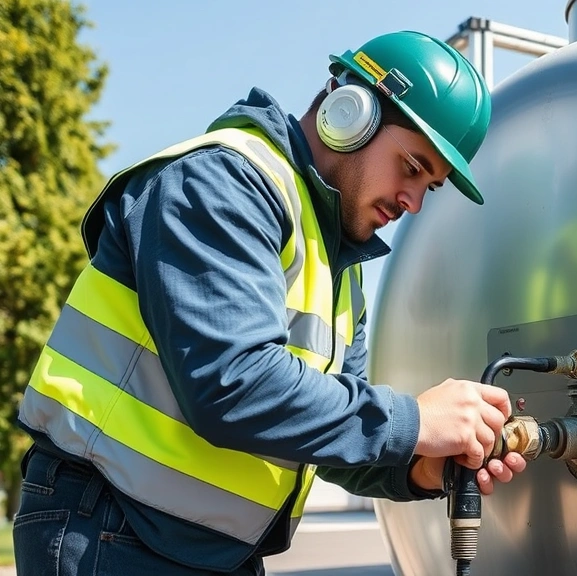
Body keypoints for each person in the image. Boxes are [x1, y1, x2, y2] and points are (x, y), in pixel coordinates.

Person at [13, 30, 526, 575]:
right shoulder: (222, 183)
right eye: (412, 166)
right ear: (351, 113)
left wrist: (422, 468)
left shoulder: (337, 266)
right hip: (113, 530)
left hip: (208, 549)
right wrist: (414, 420)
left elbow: (328, 433)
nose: (414, 202)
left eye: (433, 186)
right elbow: (233, 382)